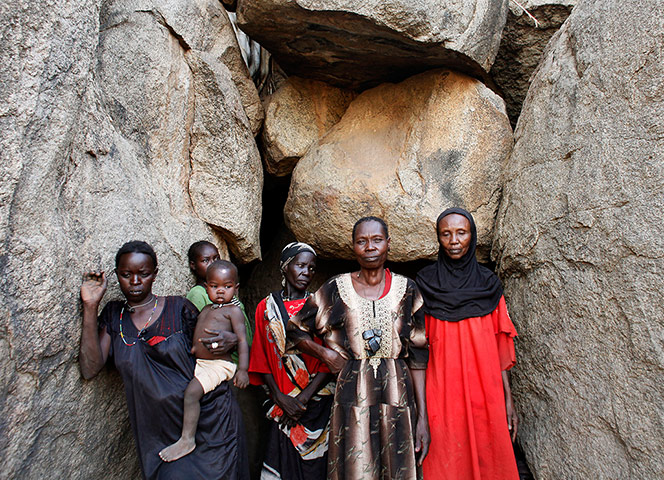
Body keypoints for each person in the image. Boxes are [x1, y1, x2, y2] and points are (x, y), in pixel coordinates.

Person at [79, 241, 248, 480]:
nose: (135, 282)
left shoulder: (179, 309)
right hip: (160, 436)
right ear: (117, 275)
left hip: (213, 423)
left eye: (144, 274)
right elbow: (89, 368)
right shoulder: (114, 316)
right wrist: (90, 305)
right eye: (126, 275)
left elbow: (216, 337)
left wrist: (231, 339)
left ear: (155, 274)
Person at [287, 217, 430, 480]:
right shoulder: (336, 289)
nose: (370, 247)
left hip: (398, 392)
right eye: (361, 241)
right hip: (352, 392)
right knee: (355, 468)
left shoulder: (408, 289)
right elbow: (294, 330)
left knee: (399, 468)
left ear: (388, 243)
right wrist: (326, 354)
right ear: (353, 247)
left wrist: (422, 417)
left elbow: (418, 357)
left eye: (376, 240)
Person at [416, 207, 519, 480]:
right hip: (442, 391)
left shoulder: (489, 284)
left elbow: (501, 347)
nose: (454, 241)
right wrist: (421, 412)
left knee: (491, 456)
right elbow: (417, 350)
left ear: (472, 236)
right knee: (446, 459)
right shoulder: (425, 284)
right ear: (438, 238)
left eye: (461, 233)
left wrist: (508, 400)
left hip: (486, 389)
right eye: (445, 234)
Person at [249, 242, 335, 479]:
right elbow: (260, 356)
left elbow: (331, 357)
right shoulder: (265, 308)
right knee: (283, 462)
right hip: (281, 403)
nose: (306, 272)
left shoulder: (320, 306)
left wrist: (304, 398)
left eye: (311, 268)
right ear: (285, 267)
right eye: (300, 265)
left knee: (317, 467)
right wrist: (279, 397)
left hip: (316, 402)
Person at [159, 260, 250, 462]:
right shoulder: (207, 309)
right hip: (201, 363)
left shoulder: (233, 311)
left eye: (226, 287)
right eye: (215, 286)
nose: (220, 291)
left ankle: (187, 439)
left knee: (192, 393)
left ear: (235, 288)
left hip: (220, 365)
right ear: (206, 286)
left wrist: (243, 370)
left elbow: (242, 340)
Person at [185, 240, 253, 359]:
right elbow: (199, 334)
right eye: (205, 260)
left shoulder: (225, 292)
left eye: (216, 258)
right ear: (193, 265)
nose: (212, 264)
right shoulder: (198, 294)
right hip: (223, 362)